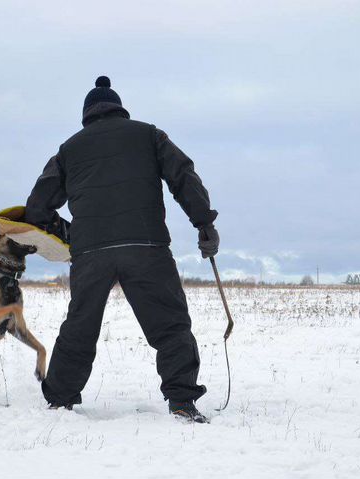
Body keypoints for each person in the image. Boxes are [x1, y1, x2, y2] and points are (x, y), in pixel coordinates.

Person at [24, 76, 220, 423]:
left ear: (87, 115)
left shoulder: (69, 150)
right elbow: (183, 175)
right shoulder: (148, 135)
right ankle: (181, 402)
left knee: (80, 326)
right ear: (118, 108)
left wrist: (68, 232)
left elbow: (37, 207)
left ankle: (59, 400)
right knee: (170, 325)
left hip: (91, 253)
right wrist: (203, 222)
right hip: (146, 246)